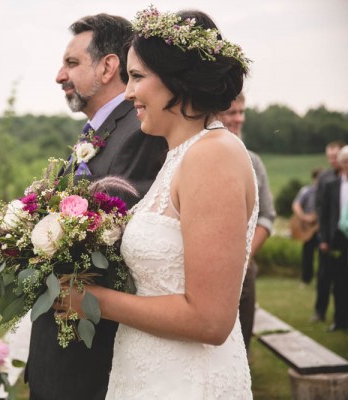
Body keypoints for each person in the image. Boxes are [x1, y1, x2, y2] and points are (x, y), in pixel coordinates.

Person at [56, 7, 254, 398]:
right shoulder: (180, 155)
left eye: (138, 77)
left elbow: (211, 320)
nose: (129, 92)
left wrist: (91, 300)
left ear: (177, 82)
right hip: (148, 372)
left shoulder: (214, 155)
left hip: (187, 381)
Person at [24, 13, 167, 400]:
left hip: (89, 358)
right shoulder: (98, 131)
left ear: (107, 66)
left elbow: (114, 233)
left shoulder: (139, 131)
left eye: (72, 63)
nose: (59, 75)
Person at [218, 92, 276, 352]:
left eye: (242, 112)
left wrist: (244, 256)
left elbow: (267, 216)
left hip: (245, 268)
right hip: (204, 267)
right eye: (232, 112)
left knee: (242, 341)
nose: (238, 119)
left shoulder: (254, 162)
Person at [313, 140, 346, 322]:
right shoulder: (325, 178)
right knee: (324, 276)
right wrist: (323, 236)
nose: (333, 160)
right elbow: (320, 208)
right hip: (329, 234)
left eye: (336, 157)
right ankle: (320, 311)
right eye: (330, 157)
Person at [292, 167, 323, 284]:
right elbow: (296, 205)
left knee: (323, 255)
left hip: (321, 228)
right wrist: (304, 217)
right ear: (313, 179)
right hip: (308, 229)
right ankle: (306, 279)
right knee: (307, 254)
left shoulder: (327, 191)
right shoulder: (306, 191)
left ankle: (322, 279)